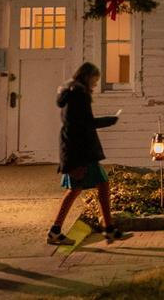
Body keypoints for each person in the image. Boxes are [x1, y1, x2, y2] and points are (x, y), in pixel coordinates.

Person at [47, 62, 132, 245]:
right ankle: (107, 230)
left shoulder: (71, 92)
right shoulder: (79, 94)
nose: (95, 84)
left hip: (76, 150)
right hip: (80, 152)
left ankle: (57, 231)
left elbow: (78, 124)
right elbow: (83, 124)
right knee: (94, 186)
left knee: (83, 189)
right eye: (95, 80)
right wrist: (110, 120)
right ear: (87, 76)